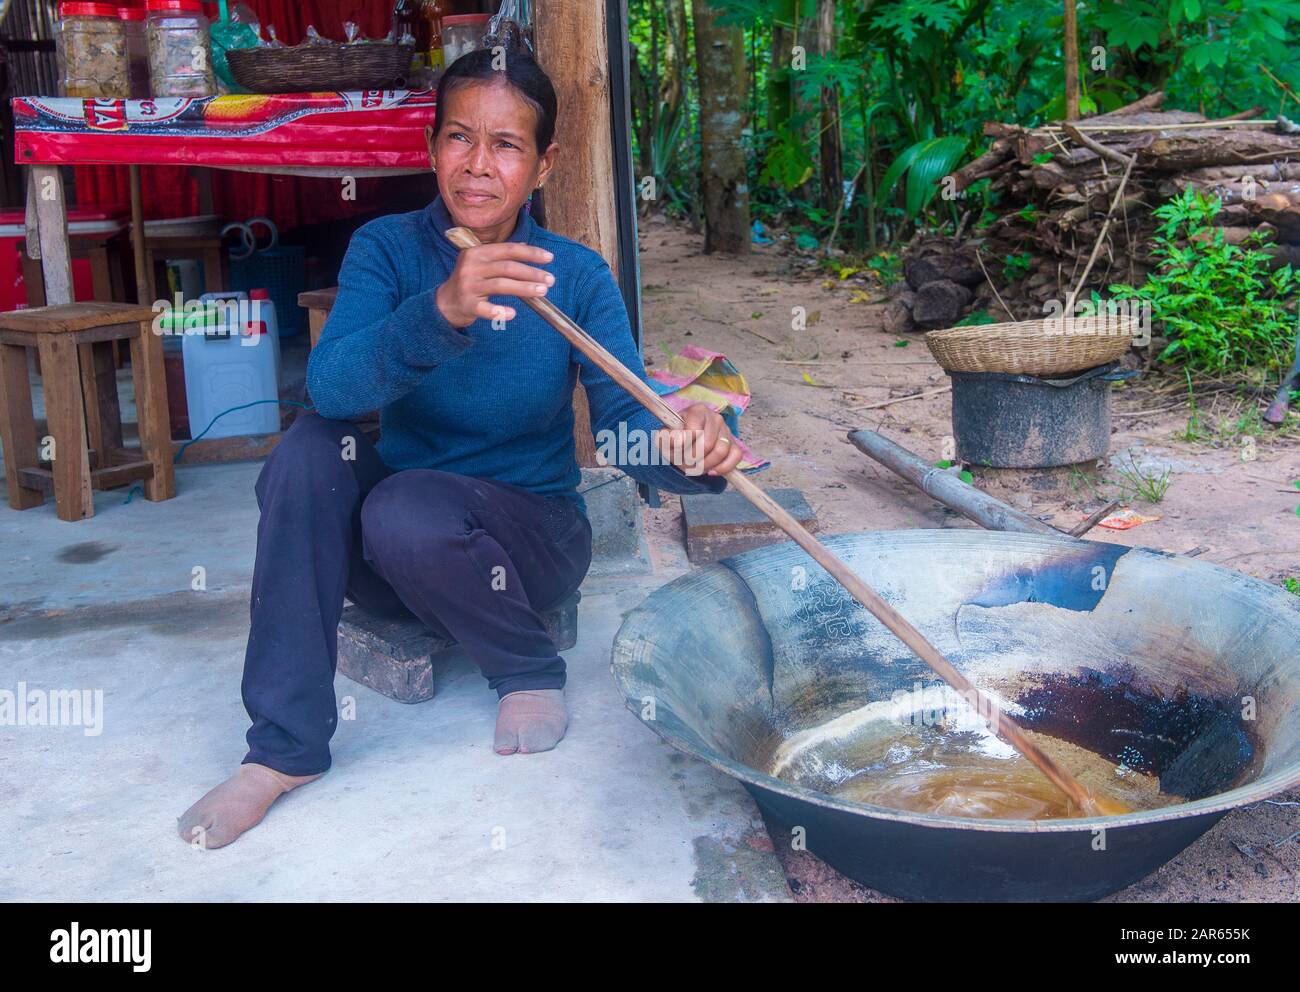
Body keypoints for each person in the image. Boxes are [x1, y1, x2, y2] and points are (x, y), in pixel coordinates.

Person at [177, 48, 743, 849]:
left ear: (543, 163)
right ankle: (283, 750)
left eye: (507, 145)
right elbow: (335, 388)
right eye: (458, 138)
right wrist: (441, 307)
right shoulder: (387, 249)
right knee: (311, 450)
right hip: (397, 553)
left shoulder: (574, 275)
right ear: (431, 146)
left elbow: (624, 421)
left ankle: (527, 667)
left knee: (407, 507)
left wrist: (691, 449)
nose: (478, 166)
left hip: (531, 540)